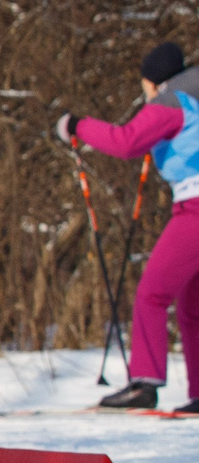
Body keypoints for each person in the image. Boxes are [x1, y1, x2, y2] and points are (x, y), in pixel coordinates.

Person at [62, 40, 199, 412]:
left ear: (153, 81)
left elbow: (126, 142)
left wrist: (77, 126)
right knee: (192, 307)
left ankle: (145, 382)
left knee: (152, 294)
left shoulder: (172, 101)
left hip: (196, 209)